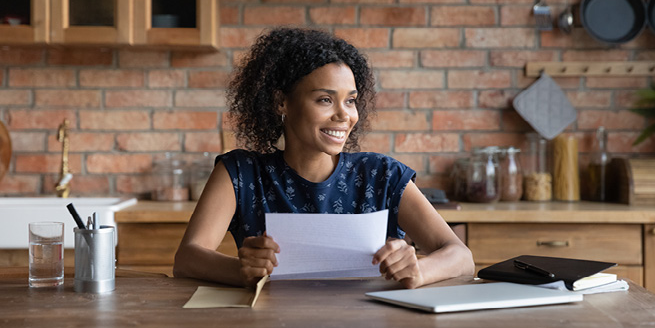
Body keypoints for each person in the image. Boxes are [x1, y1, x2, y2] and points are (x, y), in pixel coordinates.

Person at [173, 27, 474, 289]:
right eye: (325, 100)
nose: (344, 115)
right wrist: (241, 270)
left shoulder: (382, 175)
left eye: (351, 100)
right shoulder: (239, 173)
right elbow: (188, 258)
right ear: (282, 102)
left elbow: (461, 257)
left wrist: (418, 269)